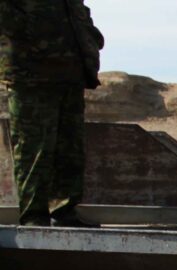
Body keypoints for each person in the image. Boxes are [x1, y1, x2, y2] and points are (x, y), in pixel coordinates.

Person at [0, 0, 104, 227]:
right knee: (33, 149)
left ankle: (64, 212)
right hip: (30, 72)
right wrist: (33, 32)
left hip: (71, 71)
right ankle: (34, 216)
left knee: (70, 148)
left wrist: (89, 36)